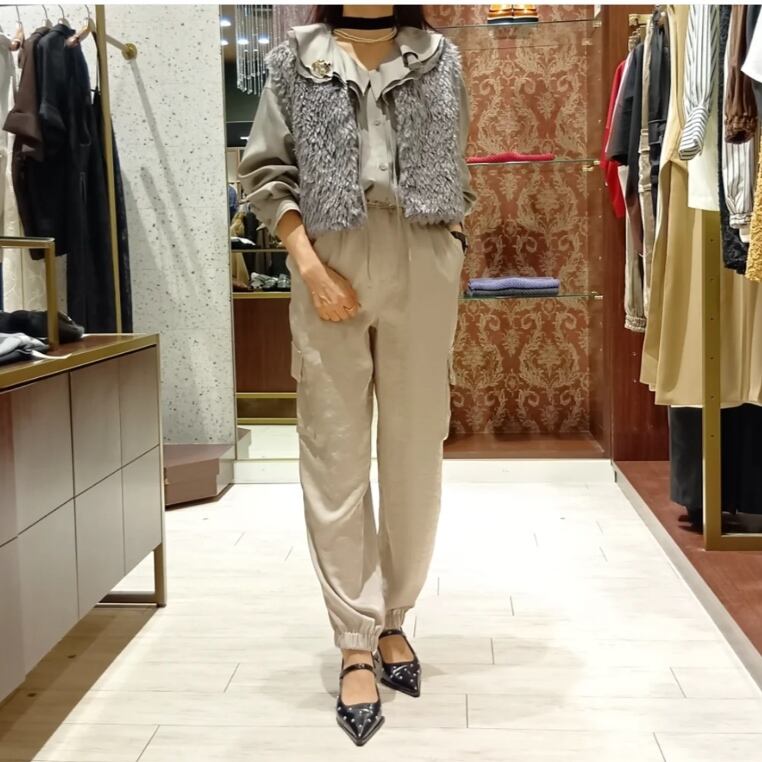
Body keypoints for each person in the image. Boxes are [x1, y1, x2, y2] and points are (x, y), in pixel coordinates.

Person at [239, 3, 474, 746]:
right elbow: (265, 174)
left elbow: (455, 162)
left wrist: (451, 249)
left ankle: (395, 618)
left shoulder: (440, 56)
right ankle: (352, 640)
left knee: (414, 452)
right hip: (329, 253)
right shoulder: (295, 58)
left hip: (423, 253)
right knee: (335, 453)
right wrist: (310, 268)